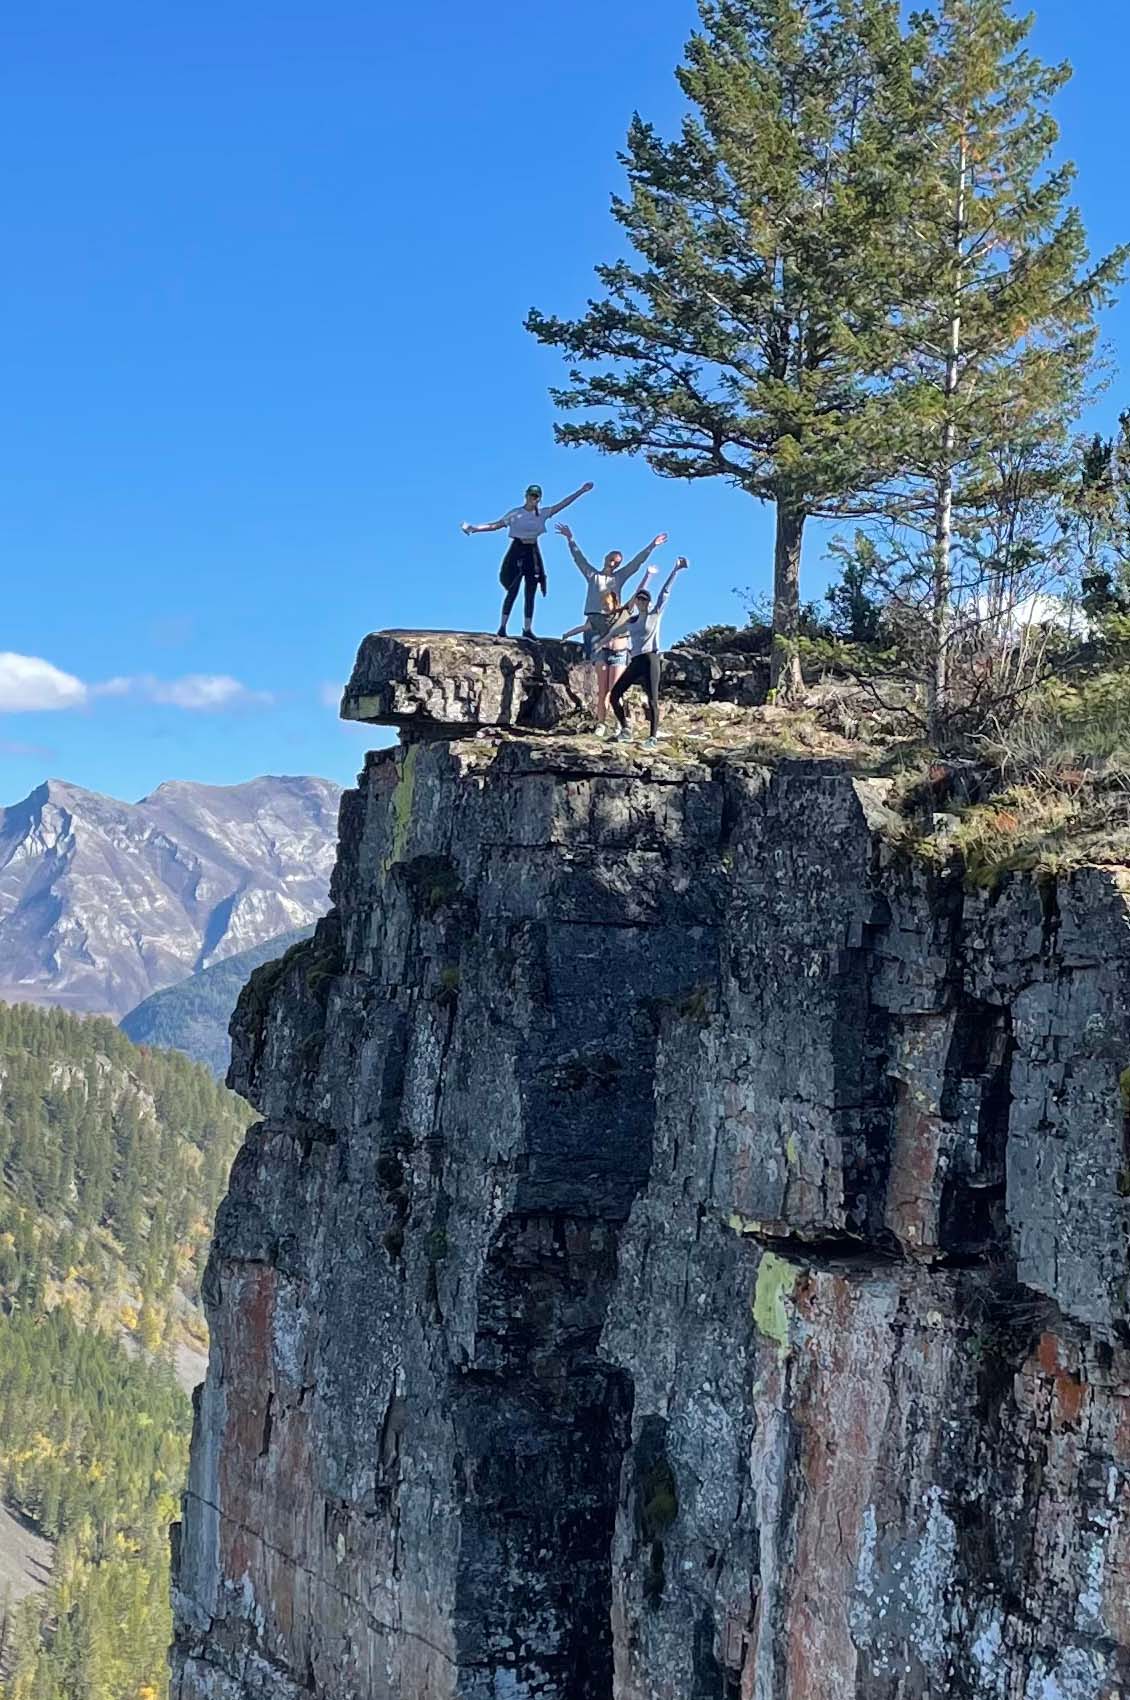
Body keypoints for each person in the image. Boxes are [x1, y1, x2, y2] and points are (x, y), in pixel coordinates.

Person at [461, 482, 593, 638]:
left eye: (536, 497)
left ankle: (527, 628)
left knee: (531, 590)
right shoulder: (516, 513)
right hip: (517, 551)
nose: (533, 499)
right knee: (513, 589)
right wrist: (475, 528)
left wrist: (581, 491)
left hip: (533, 551)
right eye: (531, 495)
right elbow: (496, 525)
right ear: (526, 496)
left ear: (539, 499)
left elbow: (563, 504)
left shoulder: (542, 513)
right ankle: (503, 627)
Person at [606, 557, 690, 746]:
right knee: (614, 695)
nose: (641, 602)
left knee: (652, 699)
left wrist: (675, 570)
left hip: (651, 659)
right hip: (635, 661)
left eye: (644, 599)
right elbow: (615, 632)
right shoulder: (632, 621)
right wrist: (601, 641)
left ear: (648, 602)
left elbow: (665, 593)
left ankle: (652, 737)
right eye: (639, 599)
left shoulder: (654, 615)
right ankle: (625, 729)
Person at [555, 522, 668, 659]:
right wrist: (570, 539)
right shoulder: (594, 576)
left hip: (611, 620)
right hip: (594, 619)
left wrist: (652, 546)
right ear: (606, 558)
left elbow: (636, 563)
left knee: (611, 655)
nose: (613, 563)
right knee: (592, 657)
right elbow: (579, 559)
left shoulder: (618, 577)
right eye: (611, 560)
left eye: (617, 562)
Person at [561, 579, 654, 735]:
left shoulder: (625, 613)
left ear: (614, 602)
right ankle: (601, 724)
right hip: (603, 653)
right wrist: (567, 634)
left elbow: (637, 594)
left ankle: (620, 724)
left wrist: (648, 576)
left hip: (620, 654)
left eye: (607, 603)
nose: (604, 607)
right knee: (602, 691)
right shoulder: (598, 618)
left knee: (615, 690)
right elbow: (584, 627)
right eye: (602, 604)